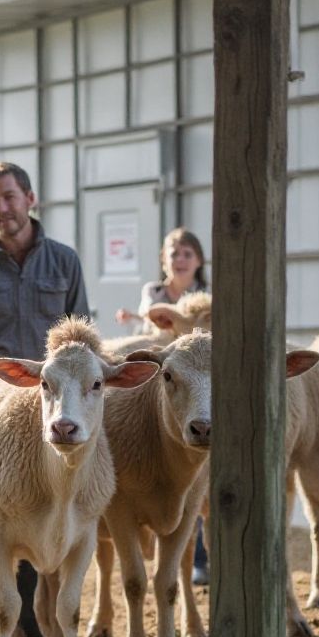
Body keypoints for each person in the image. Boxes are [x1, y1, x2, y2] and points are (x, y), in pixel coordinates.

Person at [0, 160, 90, 637]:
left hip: (57, 404)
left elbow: (82, 338)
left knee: (44, 505)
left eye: (9, 197)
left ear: (30, 198)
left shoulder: (64, 261)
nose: (1, 208)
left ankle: (34, 625)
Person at [115, 226, 210, 584]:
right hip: (166, 381)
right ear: (163, 260)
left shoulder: (208, 297)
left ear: (198, 260)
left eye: (187, 253)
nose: (180, 259)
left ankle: (197, 556)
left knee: (196, 484)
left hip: (200, 385)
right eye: (173, 253)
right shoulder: (154, 293)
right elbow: (150, 321)